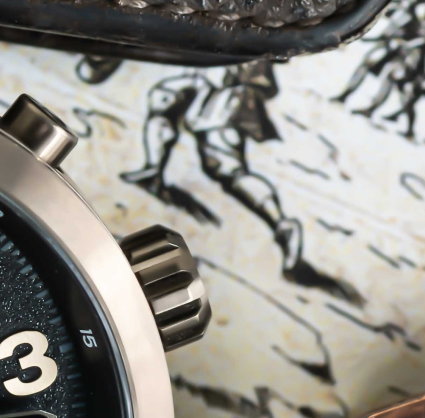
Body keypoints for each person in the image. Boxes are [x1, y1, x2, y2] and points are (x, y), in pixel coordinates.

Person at [123, 60, 361, 302]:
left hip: (222, 90)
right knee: (164, 101)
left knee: (225, 167)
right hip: (206, 77)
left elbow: (262, 76)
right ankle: (153, 171)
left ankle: (282, 225)